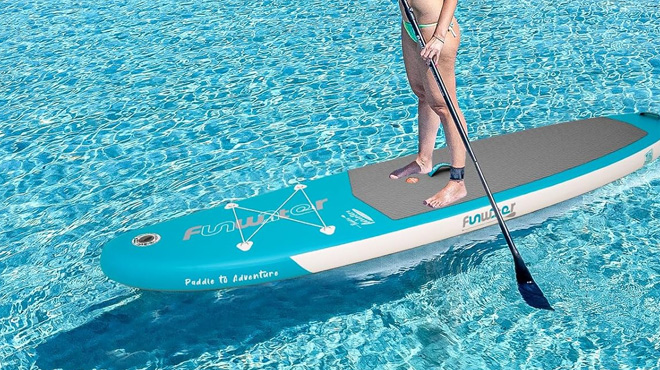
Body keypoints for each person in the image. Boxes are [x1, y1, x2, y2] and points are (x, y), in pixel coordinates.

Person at [390, 0, 468, 209]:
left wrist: (440, 36)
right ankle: (424, 160)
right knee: (422, 94)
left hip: (434, 29)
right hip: (411, 26)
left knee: (445, 105)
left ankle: (457, 181)